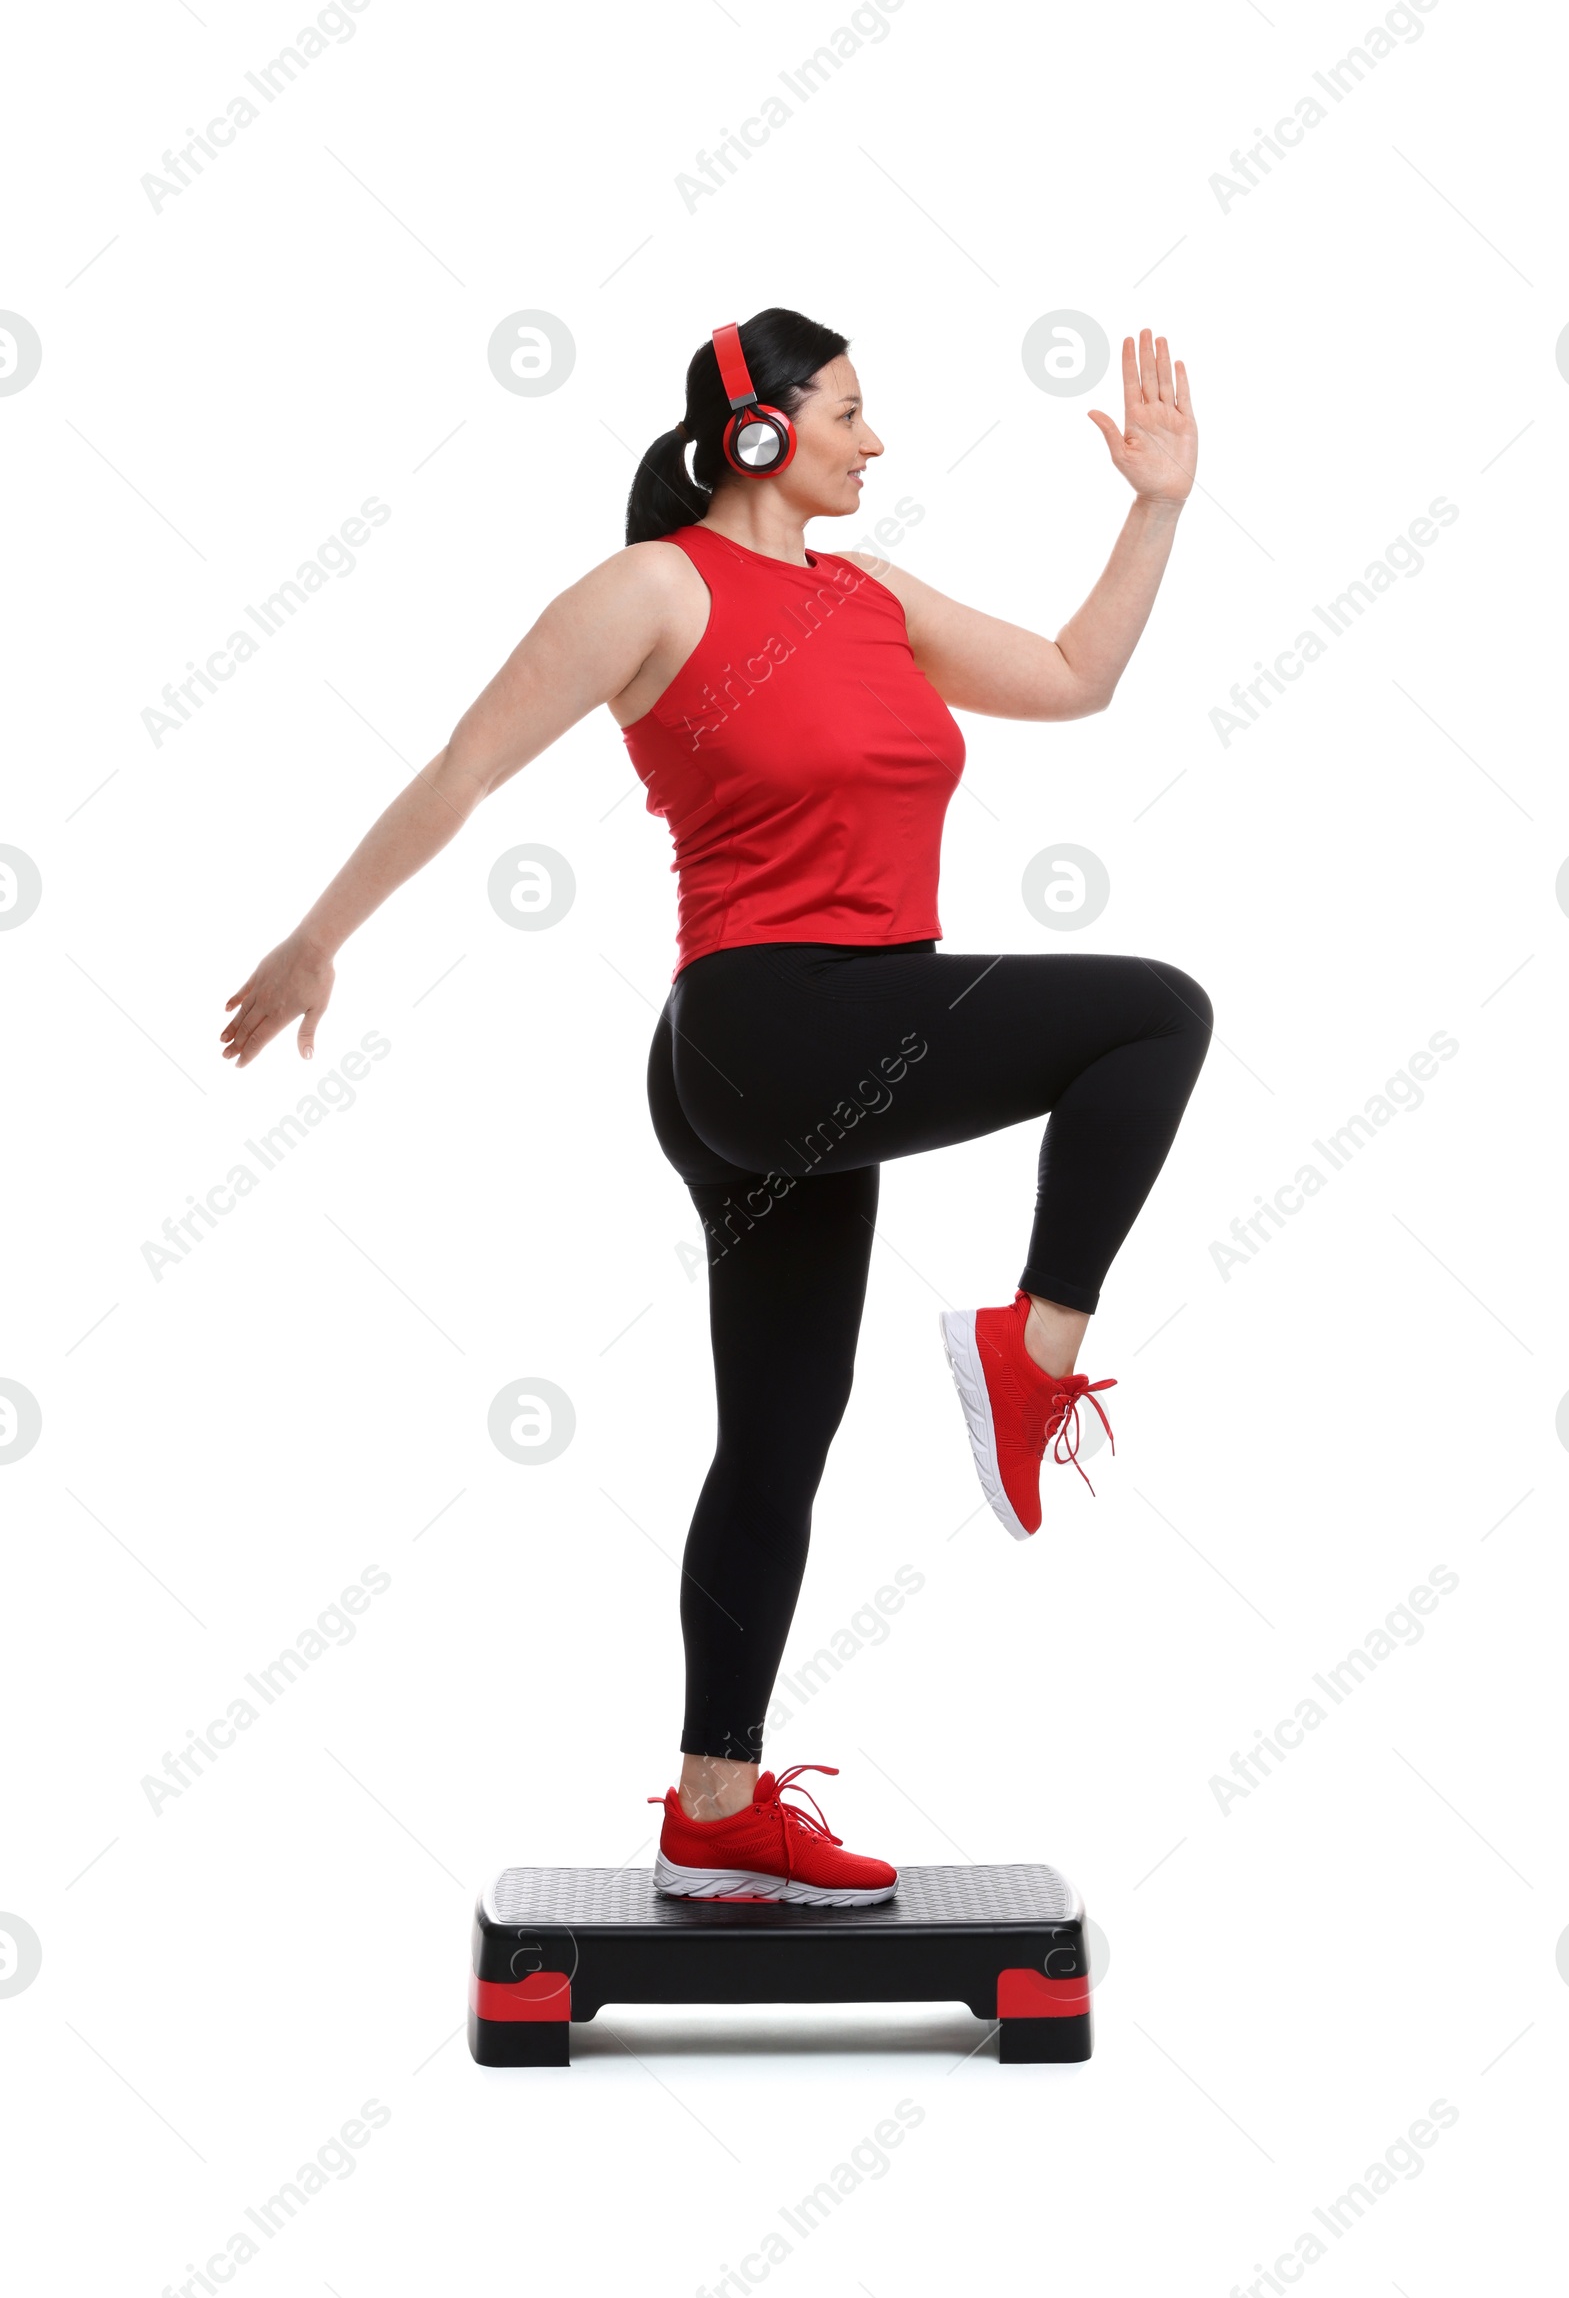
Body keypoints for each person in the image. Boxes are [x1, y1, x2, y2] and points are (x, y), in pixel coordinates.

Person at [221, 307, 1210, 1909]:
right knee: (1154, 1014)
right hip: (771, 1032)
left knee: (776, 1441)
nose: (875, 444)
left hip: (845, 1039)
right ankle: (1029, 1357)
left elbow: (1076, 677)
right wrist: (320, 937)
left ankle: (718, 1806)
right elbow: (467, 768)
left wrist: (1155, 504)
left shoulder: (870, 596)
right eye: (849, 413)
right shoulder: (654, 589)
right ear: (755, 430)